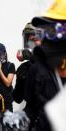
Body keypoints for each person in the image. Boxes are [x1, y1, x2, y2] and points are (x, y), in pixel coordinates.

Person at [23, 0, 66, 130]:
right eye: (47, 29)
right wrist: (22, 119)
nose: (48, 36)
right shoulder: (37, 68)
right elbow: (31, 108)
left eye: (56, 29)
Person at [13, 22, 42, 104]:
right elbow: (17, 99)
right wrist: (21, 81)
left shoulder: (53, 62)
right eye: (29, 40)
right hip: (33, 111)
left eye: (35, 39)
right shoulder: (24, 67)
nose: (31, 44)